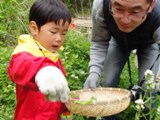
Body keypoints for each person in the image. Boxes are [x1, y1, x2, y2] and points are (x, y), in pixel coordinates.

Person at [84, 0, 160, 119]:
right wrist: (94, 72)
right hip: (118, 41)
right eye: (118, 9)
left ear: (151, 6)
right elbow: (99, 41)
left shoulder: (159, 15)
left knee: (148, 88)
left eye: (135, 12)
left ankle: (146, 116)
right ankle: (108, 117)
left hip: (149, 44)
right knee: (108, 82)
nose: (125, 20)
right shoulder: (101, 5)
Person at [7, 0, 72, 120]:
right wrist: (44, 69)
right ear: (34, 28)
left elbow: (55, 91)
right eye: (53, 31)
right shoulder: (25, 51)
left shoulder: (52, 55)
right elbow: (20, 67)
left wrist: (66, 103)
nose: (59, 38)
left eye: (64, 33)